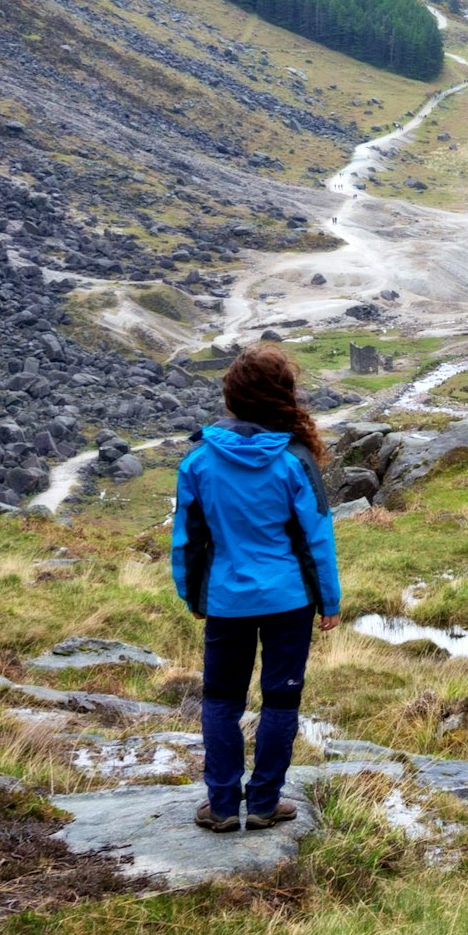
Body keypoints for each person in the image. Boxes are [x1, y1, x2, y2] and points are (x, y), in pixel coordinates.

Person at [169, 344, 342, 833]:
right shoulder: (295, 459)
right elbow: (318, 537)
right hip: (290, 600)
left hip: (226, 599)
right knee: (281, 700)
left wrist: (193, 595)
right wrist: (329, 600)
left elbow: (188, 539)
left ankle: (222, 806)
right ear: (281, 396)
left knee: (221, 700)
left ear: (233, 397)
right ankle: (265, 803)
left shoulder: (198, 461)